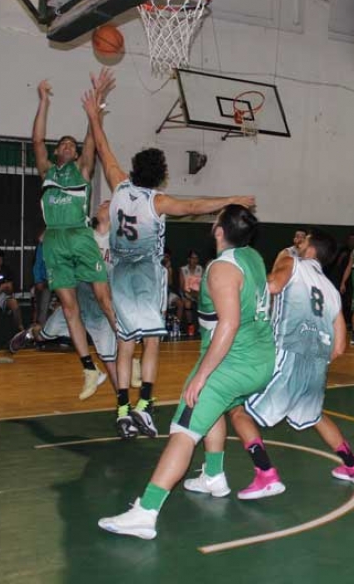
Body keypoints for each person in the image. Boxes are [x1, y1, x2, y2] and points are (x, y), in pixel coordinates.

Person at [83, 82, 255, 439]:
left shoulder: (119, 186)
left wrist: (94, 116)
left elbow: (102, 148)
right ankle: (144, 408)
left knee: (124, 344)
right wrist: (231, 198)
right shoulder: (157, 202)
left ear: (133, 170)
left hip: (119, 275)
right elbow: (193, 207)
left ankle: (121, 410)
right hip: (146, 276)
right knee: (152, 343)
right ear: (160, 176)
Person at [98, 205, 275, 539]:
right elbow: (239, 301)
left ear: (219, 231)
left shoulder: (221, 269)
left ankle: (145, 512)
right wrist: (198, 292)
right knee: (218, 408)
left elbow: (229, 323)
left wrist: (202, 375)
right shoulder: (251, 257)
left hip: (230, 362)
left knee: (183, 429)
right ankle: (214, 476)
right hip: (259, 358)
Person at [185, 228, 354, 501]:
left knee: (238, 409)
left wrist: (217, 284)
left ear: (310, 250)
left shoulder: (291, 261)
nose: (297, 243)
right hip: (317, 366)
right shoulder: (332, 290)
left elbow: (270, 286)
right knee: (315, 414)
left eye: (302, 240)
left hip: (287, 357)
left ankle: (266, 475)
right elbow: (340, 346)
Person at [32, 70, 118, 400]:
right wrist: (43, 102)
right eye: (63, 144)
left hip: (79, 235)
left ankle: (127, 351)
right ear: (57, 154)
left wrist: (94, 107)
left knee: (102, 298)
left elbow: (93, 140)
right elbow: (37, 141)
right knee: (69, 309)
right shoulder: (48, 172)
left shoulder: (83, 171)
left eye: (72, 144)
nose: (68, 145)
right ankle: (88, 367)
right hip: (55, 239)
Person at [9, 202, 122, 404]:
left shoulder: (118, 243)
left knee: (110, 360)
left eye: (107, 203)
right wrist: (61, 224)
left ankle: (125, 406)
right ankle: (29, 333)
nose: (102, 204)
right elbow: (43, 238)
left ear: (113, 214)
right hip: (76, 301)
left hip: (100, 308)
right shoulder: (84, 233)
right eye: (102, 203)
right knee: (43, 335)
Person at [180, 250, 204, 333]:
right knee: (187, 303)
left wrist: (197, 294)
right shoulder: (183, 269)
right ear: (188, 259)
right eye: (192, 258)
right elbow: (182, 286)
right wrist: (189, 294)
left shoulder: (200, 269)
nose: (194, 260)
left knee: (204, 301)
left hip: (198, 293)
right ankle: (190, 325)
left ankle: (202, 326)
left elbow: (203, 285)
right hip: (186, 293)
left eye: (196, 258)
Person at [31, 230, 51, 327]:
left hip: (61, 281)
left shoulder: (63, 247)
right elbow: (37, 265)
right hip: (45, 281)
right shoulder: (41, 247)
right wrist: (38, 280)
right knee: (42, 304)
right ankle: (40, 329)